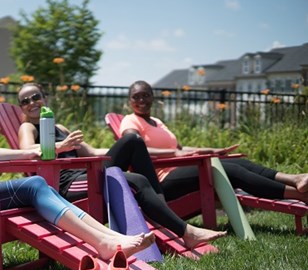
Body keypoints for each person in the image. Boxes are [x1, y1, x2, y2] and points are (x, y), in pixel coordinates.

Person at [0, 66, 157, 261]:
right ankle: (103, 241)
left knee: (38, 186)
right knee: (34, 185)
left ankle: (111, 238)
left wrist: (34, 152)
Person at [17, 83, 227, 249]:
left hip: (85, 173)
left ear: (45, 98)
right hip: (68, 185)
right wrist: (60, 146)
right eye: (25, 101)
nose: (32, 102)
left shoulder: (59, 126)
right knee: (136, 178)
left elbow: (90, 153)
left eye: (36, 96)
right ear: (22, 108)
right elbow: (28, 152)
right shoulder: (28, 127)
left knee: (133, 144)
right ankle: (186, 231)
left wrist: (119, 148)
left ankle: (169, 220)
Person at [120, 80, 308, 204]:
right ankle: (300, 195)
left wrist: (212, 150)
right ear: (130, 101)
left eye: (145, 95)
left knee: (237, 162)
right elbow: (136, 150)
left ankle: (294, 179)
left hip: (179, 167)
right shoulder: (130, 121)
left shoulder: (158, 123)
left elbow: (180, 148)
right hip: (161, 180)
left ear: (152, 97)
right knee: (228, 170)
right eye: (136, 96)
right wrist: (176, 154)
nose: (141, 100)